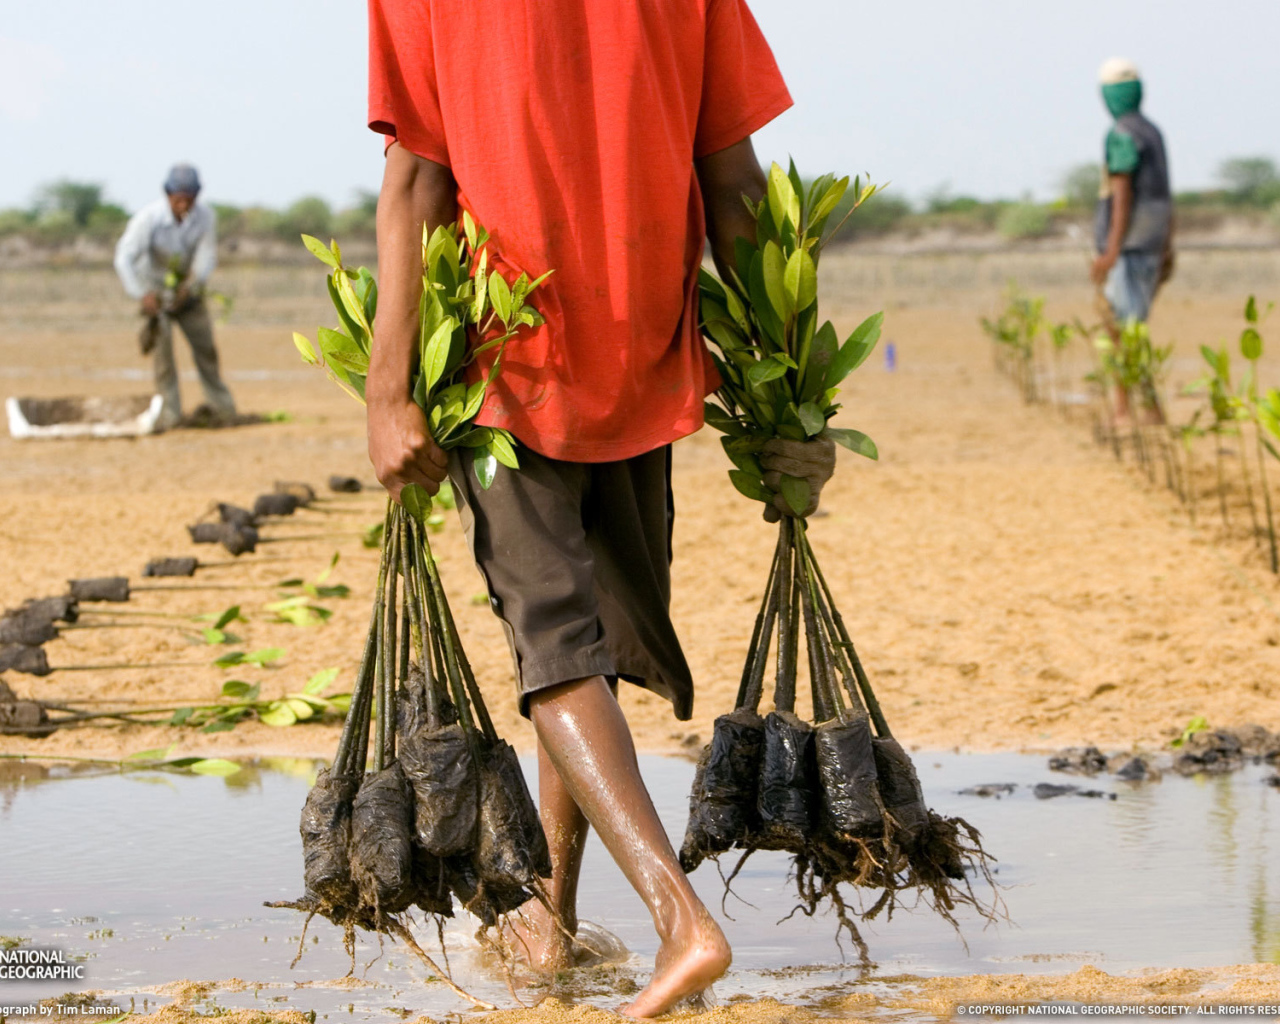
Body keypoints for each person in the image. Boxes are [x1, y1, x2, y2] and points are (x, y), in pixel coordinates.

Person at [363, 1, 834, 1016]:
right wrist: (778, 380)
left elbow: (413, 180)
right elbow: (736, 183)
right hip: (647, 350)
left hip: (508, 351)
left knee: (555, 655)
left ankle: (680, 922)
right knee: (581, 656)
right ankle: (549, 916)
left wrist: (386, 389)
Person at [114, 164, 236, 430]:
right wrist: (141, 293)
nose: (183, 203)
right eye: (178, 197)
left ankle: (222, 409)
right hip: (154, 294)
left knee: (206, 348)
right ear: (167, 194)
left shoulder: (205, 217)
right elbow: (124, 258)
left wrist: (191, 286)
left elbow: (206, 257)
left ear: (197, 195)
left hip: (187, 292)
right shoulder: (148, 219)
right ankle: (170, 415)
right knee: (163, 356)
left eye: (189, 197)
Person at [1089, 58, 1174, 422]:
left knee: (1124, 329)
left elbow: (1122, 192)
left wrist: (1110, 251)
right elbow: (1165, 194)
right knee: (1126, 326)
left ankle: (1133, 410)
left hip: (1130, 247)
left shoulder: (1122, 133)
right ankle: (1137, 408)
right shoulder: (1153, 132)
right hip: (1153, 242)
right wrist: (1169, 242)